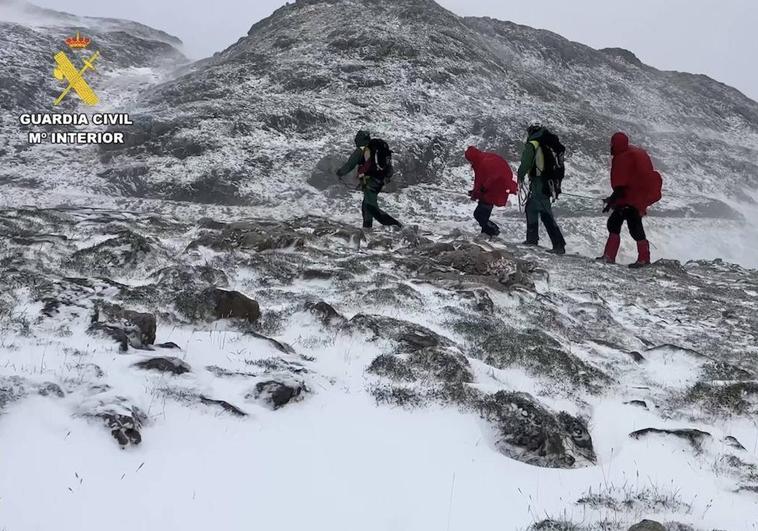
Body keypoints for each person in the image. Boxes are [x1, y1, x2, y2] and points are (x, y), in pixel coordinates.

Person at [598, 132, 662, 268]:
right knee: (627, 225)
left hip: (629, 200)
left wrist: (610, 202)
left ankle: (613, 257)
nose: (611, 146)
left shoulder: (622, 158)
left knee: (626, 226)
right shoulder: (633, 153)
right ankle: (641, 258)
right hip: (636, 199)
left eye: (612, 143)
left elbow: (621, 186)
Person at [516, 120, 567, 254]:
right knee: (531, 208)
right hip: (548, 182)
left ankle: (558, 244)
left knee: (545, 213)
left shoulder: (533, 144)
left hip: (539, 182)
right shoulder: (547, 142)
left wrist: (520, 175)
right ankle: (532, 239)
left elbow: (526, 163)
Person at [336, 130, 401, 230]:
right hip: (379, 180)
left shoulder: (362, 150)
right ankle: (367, 228)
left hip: (370, 181)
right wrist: (386, 178)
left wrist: (339, 173)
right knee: (366, 205)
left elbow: (350, 165)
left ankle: (396, 226)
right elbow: (389, 168)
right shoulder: (376, 149)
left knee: (372, 207)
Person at [464, 146, 518, 237]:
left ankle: (493, 231)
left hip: (492, 191)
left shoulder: (481, 163)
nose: (469, 163)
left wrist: (477, 192)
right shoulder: (486, 158)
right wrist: (476, 192)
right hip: (498, 188)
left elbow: (481, 181)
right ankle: (486, 233)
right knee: (482, 214)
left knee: (479, 214)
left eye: (469, 160)